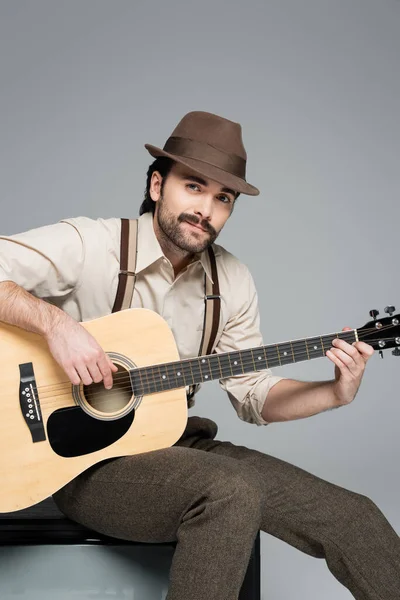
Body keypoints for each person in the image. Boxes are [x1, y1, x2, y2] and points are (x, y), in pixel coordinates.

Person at [0, 111, 398, 599]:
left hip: (178, 446)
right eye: (193, 186)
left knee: (352, 517)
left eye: (222, 198)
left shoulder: (230, 282)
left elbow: (255, 396)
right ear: (156, 185)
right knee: (230, 491)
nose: (205, 209)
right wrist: (56, 325)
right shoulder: (92, 244)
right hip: (84, 465)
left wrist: (334, 392)